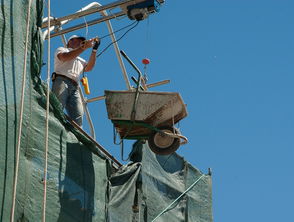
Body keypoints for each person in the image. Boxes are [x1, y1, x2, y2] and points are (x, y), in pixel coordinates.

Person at [52, 35, 100, 126]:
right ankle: (54, 126)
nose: (79, 43)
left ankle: (75, 137)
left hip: (74, 86)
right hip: (62, 81)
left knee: (78, 116)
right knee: (57, 107)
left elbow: (89, 67)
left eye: (81, 42)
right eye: (77, 41)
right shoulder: (62, 49)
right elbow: (65, 57)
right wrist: (83, 47)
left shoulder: (80, 59)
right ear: (70, 41)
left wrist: (94, 50)